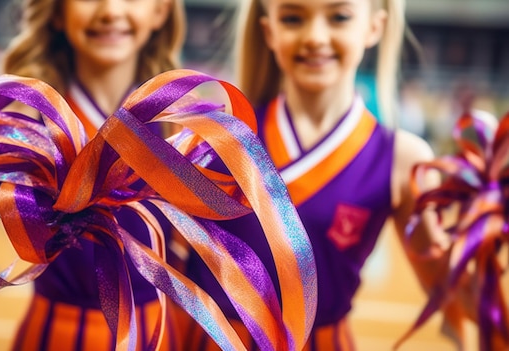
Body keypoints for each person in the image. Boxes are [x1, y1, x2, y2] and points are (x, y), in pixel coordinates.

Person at [181, 0, 466, 349]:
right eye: (292, 17)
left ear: (374, 27)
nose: (315, 36)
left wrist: (490, 221)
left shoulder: (403, 160)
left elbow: (454, 293)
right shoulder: (213, 138)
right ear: (269, 30)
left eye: (339, 16)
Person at [0, 0, 186, 350]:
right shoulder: (25, 120)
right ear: (56, 11)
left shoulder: (182, 124)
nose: (111, 11)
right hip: (53, 335)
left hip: (154, 336)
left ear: (161, 10)